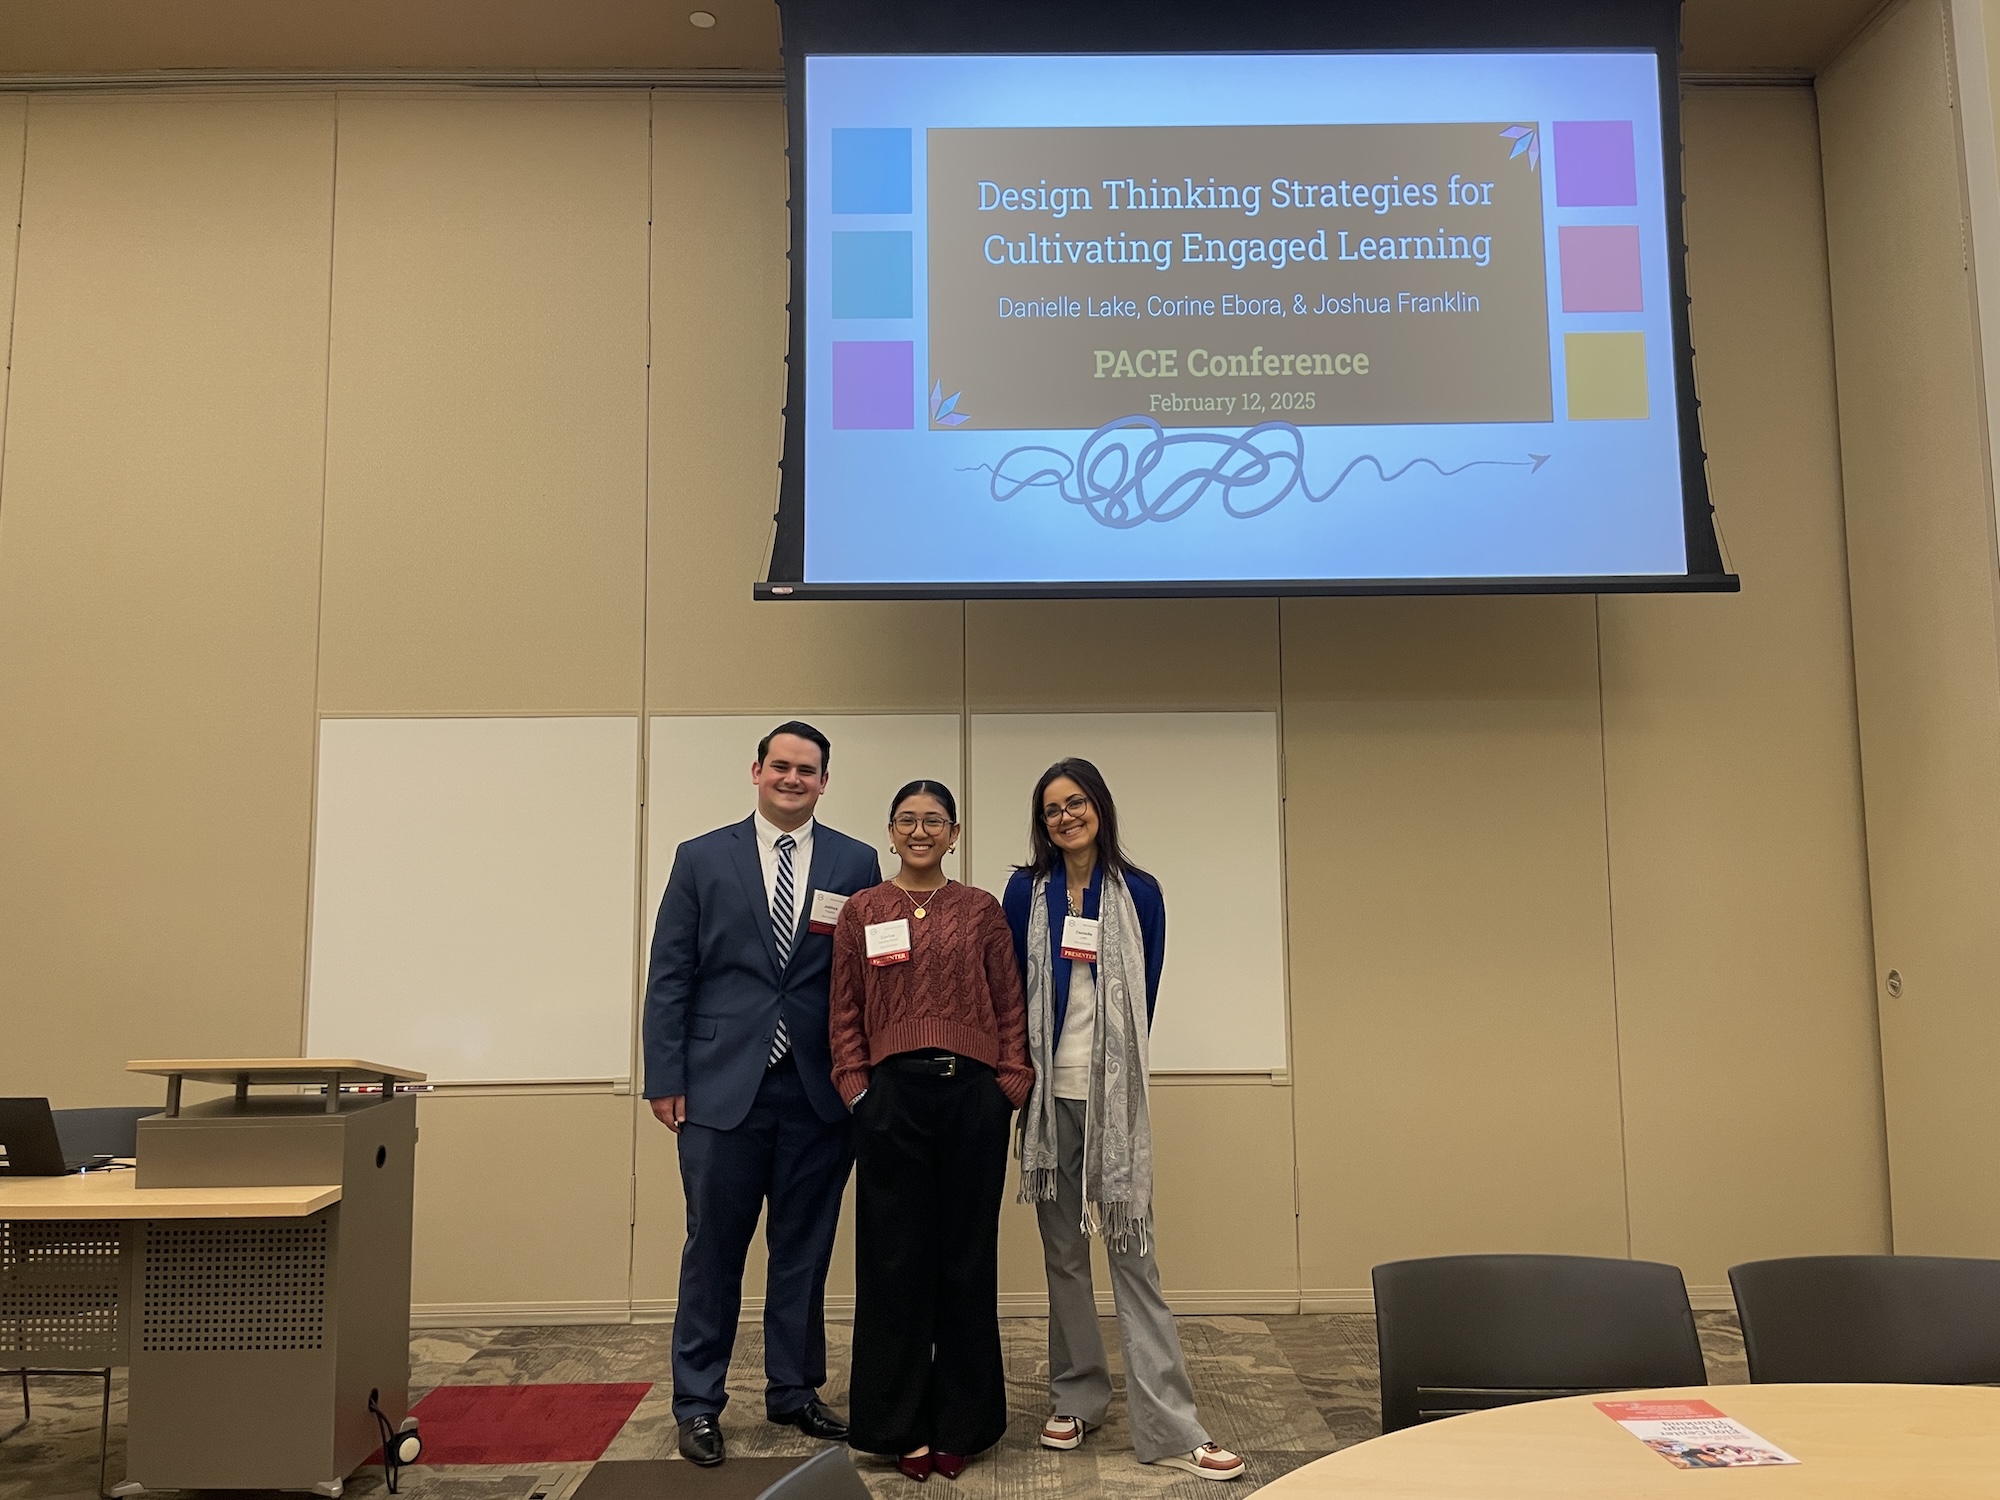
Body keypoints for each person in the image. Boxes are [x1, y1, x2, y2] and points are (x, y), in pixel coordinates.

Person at [642, 721, 883, 1468]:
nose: (792, 778)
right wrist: (665, 1076)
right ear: (756, 771)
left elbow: (866, 978)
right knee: (712, 1252)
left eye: (807, 770)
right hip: (719, 1090)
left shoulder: (855, 860)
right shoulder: (700, 857)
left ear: (824, 782)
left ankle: (793, 1390)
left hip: (818, 1090)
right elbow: (670, 973)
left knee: (803, 1251)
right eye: (780, 766)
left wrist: (866, 1078)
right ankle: (697, 1403)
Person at [1001, 758, 1245, 1481]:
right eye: (1052, 808)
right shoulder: (1025, 892)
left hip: (1114, 1105)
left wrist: (1115, 1080)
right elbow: (1010, 992)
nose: (1065, 816)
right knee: (1063, 1257)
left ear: (1100, 807)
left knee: (1134, 1258)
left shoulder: (1140, 892)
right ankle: (1077, 1397)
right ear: (1042, 823)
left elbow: (1147, 993)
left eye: (1076, 802)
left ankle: (1172, 1424)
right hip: (1048, 1105)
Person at [828, 780, 1032, 1482]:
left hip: (972, 1097)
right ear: (890, 832)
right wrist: (856, 1087)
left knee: (967, 1261)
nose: (921, 831)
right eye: (908, 820)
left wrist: (1011, 1081)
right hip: (891, 1100)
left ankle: (962, 1425)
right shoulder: (863, 909)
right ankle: (898, 1427)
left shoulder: (979, 909)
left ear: (954, 833)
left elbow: (1010, 1000)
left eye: (934, 821)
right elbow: (844, 1007)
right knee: (893, 1264)